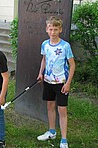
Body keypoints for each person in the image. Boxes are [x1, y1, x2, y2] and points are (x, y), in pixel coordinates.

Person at [37, 16, 75, 148]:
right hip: (48, 81)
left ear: (60, 30)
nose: (53, 32)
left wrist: (68, 83)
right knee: (50, 106)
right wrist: (41, 73)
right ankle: (52, 131)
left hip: (61, 83)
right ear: (47, 29)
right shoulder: (45, 44)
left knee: (62, 110)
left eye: (55, 29)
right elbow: (44, 59)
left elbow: (72, 65)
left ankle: (64, 139)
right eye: (50, 29)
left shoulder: (65, 46)